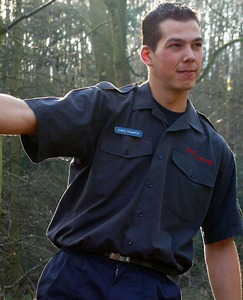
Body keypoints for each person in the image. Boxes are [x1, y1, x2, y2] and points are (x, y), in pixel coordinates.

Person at [0, 2, 242, 300]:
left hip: (152, 289)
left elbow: (220, 244)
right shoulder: (105, 108)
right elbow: (23, 115)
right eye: (176, 45)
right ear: (146, 55)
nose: (189, 56)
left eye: (197, 45)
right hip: (76, 279)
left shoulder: (214, 151)